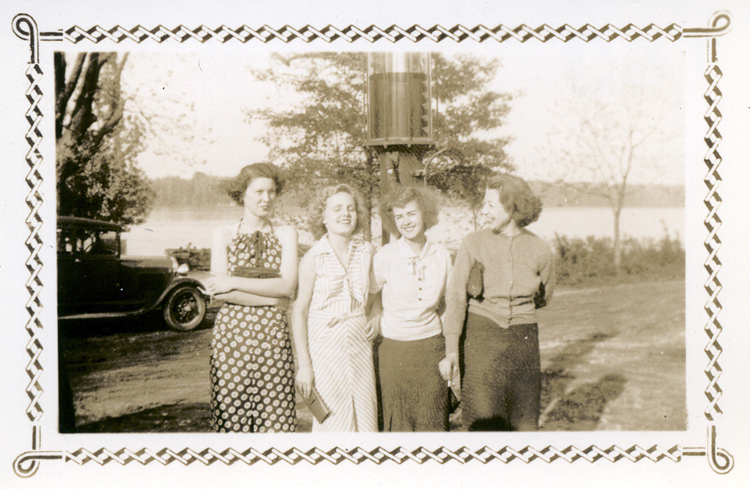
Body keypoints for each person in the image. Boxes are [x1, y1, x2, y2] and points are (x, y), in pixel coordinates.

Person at [439, 174, 555, 431]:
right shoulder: (473, 243)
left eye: (490, 205)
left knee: (524, 425)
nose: (484, 210)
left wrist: (520, 312)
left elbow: (544, 296)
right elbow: (456, 299)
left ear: (512, 207)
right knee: (483, 422)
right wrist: (451, 350)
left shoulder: (540, 249)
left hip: (524, 343)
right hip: (481, 340)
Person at [202, 163, 299, 433]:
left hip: (273, 337)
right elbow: (220, 292)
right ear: (242, 194)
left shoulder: (286, 233)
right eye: (259, 192)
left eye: (272, 192)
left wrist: (233, 281)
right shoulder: (223, 234)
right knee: (232, 418)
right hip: (232, 338)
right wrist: (271, 300)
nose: (266, 198)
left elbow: (287, 286)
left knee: (277, 421)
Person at [291, 184, 378, 432]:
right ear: (323, 216)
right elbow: (299, 312)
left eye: (351, 208)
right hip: (325, 347)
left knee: (365, 418)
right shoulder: (313, 258)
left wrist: (376, 314)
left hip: (360, 344)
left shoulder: (367, 251)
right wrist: (305, 366)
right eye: (337, 209)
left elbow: (376, 293)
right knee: (333, 422)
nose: (345, 214)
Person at [370, 186, 452, 431]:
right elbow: (372, 294)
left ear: (425, 213)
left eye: (411, 214)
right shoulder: (386, 255)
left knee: (432, 421)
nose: (405, 222)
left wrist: (450, 352)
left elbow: (448, 305)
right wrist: (375, 313)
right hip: (393, 349)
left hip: (431, 349)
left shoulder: (441, 255)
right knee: (398, 424)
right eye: (399, 216)